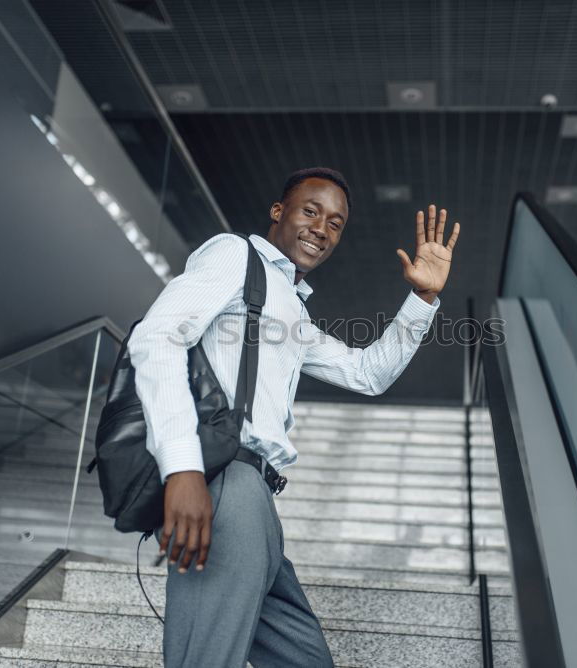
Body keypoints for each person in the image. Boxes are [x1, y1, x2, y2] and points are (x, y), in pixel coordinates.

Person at [127, 167, 460, 667]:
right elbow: (156, 338)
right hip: (222, 481)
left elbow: (368, 373)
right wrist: (183, 469)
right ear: (278, 212)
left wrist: (423, 298)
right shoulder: (234, 255)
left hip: (257, 500)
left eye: (335, 223)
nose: (322, 228)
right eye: (310, 211)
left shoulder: (291, 310)